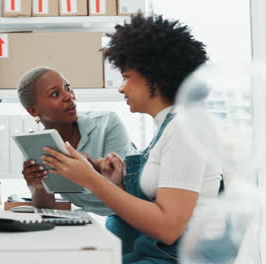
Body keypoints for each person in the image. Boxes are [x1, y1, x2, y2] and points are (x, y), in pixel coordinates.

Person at [41, 14, 222, 263]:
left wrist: (90, 179)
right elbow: (159, 208)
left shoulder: (184, 127)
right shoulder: (168, 128)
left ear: (154, 77)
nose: (121, 87)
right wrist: (118, 184)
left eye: (126, 77)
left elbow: (168, 228)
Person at [17, 66, 133, 217]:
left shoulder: (107, 123)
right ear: (33, 111)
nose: (69, 96)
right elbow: (46, 206)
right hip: (101, 216)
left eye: (68, 87)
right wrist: (37, 186)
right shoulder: (36, 148)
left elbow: (121, 187)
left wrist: (89, 165)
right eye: (55, 94)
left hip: (137, 206)